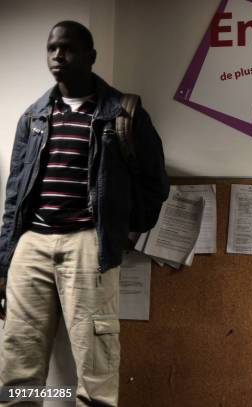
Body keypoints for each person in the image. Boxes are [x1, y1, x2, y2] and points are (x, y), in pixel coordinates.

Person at [0, 21, 169, 406]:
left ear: (91, 57)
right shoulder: (34, 117)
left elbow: (155, 183)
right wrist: (3, 264)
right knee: (18, 359)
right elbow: (14, 196)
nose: (58, 56)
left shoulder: (123, 113)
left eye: (69, 48)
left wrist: (124, 232)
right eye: (52, 49)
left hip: (88, 242)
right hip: (32, 243)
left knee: (96, 363)